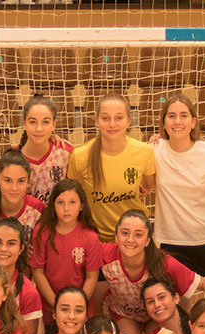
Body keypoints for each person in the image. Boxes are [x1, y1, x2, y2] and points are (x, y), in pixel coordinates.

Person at [151, 94, 205, 303]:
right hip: (173, 244)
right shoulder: (154, 151)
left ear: (194, 121)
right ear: (164, 123)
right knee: (177, 314)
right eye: (171, 116)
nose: (177, 121)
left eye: (183, 115)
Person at [99, 210, 205, 334]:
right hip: (123, 314)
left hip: (157, 313)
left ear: (147, 240)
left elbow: (201, 284)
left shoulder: (164, 263)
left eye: (138, 235)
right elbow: (83, 249)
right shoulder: (105, 254)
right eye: (125, 233)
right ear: (116, 237)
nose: (130, 240)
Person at [66, 93, 156, 241]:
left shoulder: (144, 151)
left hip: (135, 239)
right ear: (96, 121)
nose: (112, 124)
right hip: (97, 240)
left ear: (128, 121)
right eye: (105, 118)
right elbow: (74, 197)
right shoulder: (80, 156)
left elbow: (149, 185)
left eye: (119, 118)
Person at [29, 180, 103, 328]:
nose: (66, 208)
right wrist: (57, 304)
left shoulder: (90, 237)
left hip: (80, 311)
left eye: (72, 202)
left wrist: (76, 307)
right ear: (53, 205)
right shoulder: (42, 232)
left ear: (81, 206)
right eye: (60, 202)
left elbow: (91, 278)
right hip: (50, 309)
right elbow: (37, 272)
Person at [18, 95, 74, 204]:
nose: (39, 129)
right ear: (24, 124)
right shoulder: (13, 158)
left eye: (46, 122)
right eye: (32, 122)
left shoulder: (65, 153)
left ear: (54, 124)